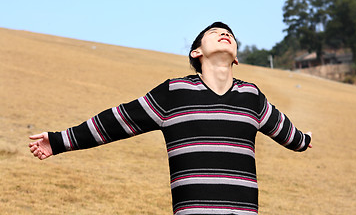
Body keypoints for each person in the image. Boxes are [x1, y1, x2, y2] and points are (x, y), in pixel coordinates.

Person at [29, 22, 312, 215]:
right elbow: (118, 120)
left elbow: (286, 131)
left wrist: (304, 140)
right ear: (196, 52)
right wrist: (58, 141)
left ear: (236, 57)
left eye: (229, 34)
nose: (225, 34)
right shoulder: (174, 93)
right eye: (215, 32)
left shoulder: (251, 96)